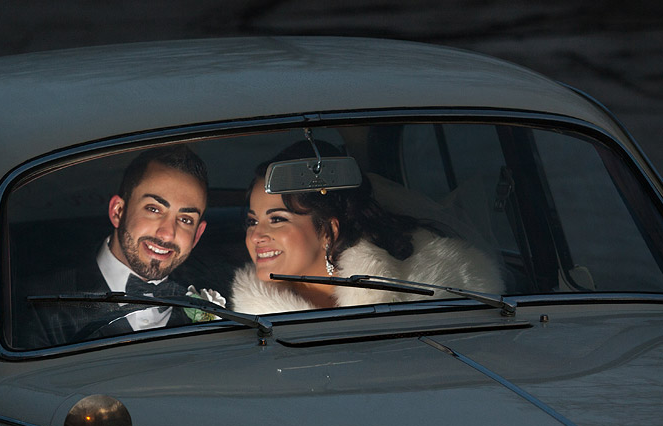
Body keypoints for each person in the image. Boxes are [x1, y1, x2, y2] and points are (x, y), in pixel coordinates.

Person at [229, 141, 504, 314]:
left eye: (276, 219)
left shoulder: (439, 289)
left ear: (329, 231)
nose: (255, 235)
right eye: (252, 221)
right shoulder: (248, 316)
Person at [31, 144, 211, 344]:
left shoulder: (214, 297)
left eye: (186, 220)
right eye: (153, 209)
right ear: (118, 211)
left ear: (197, 235)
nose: (167, 234)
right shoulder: (41, 304)